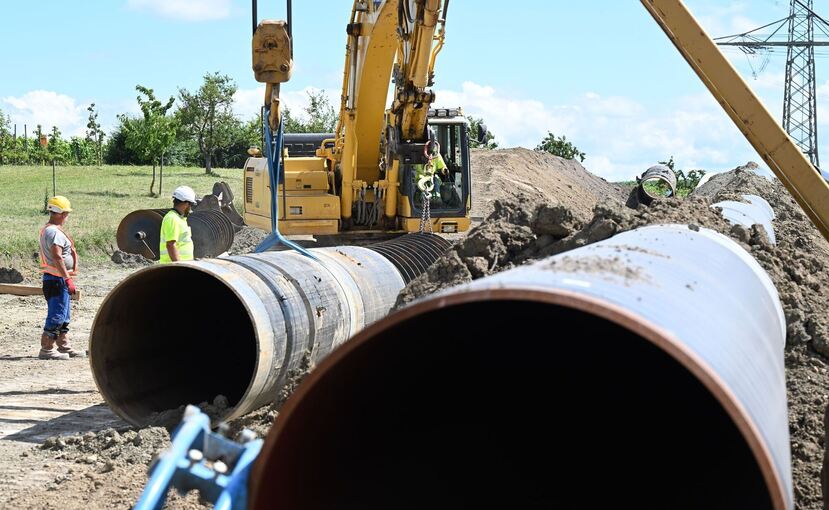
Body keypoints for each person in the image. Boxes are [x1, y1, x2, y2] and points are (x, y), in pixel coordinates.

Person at [39, 196, 84, 360]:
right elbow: (57, 256)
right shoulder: (54, 232)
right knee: (57, 315)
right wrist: (67, 279)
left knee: (64, 316)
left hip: (57, 279)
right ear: (61, 213)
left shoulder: (51, 230)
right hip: (57, 280)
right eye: (66, 213)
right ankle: (47, 349)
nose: (67, 216)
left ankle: (64, 347)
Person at [159, 186, 197, 263]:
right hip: (173, 266)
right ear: (186, 203)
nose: (190, 208)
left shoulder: (179, 219)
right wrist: (179, 266)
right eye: (191, 205)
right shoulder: (172, 219)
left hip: (184, 264)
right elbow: (171, 245)